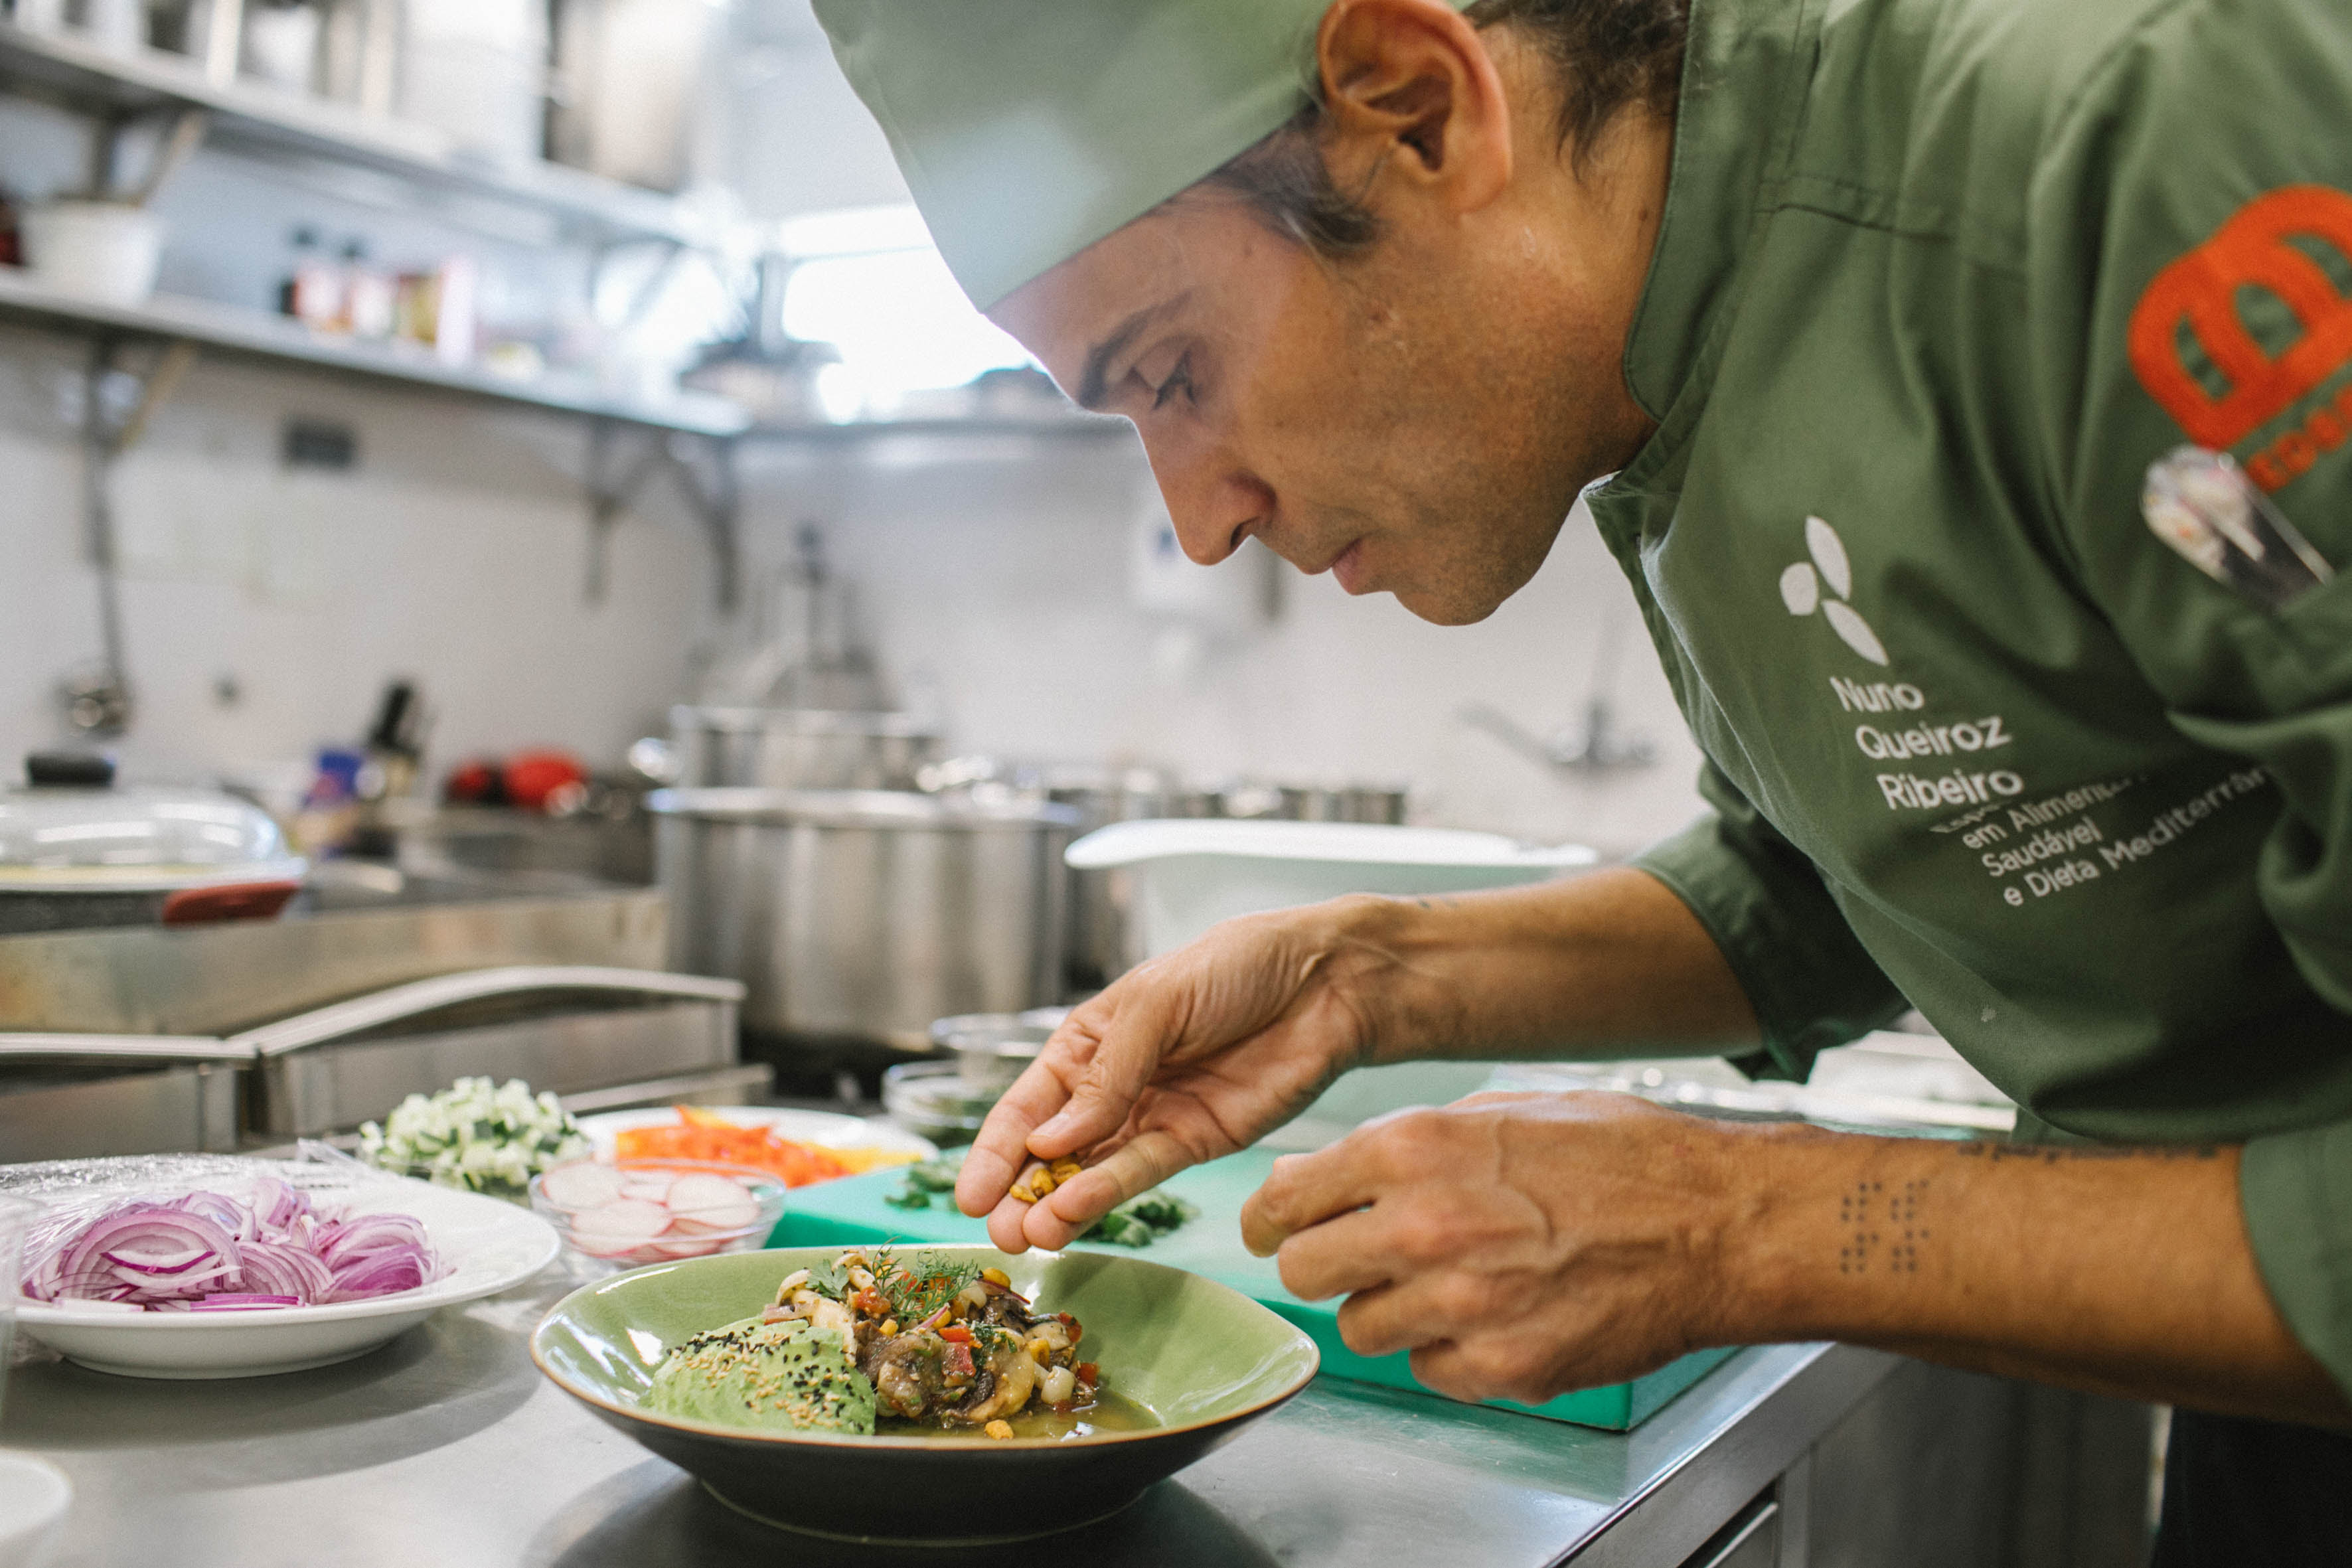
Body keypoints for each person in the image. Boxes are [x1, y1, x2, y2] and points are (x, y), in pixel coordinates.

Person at [811, 0, 2352, 1557]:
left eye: (1172, 373)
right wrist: (1368, 975)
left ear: (1422, 110)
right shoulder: (1667, 348)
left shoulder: (2137, 122)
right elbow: (1831, 888)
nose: (1198, 523)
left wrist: (1745, 1220)